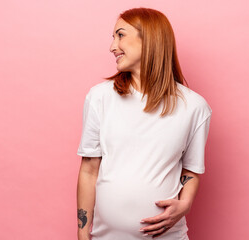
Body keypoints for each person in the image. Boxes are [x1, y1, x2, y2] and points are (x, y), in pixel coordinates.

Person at [77, 7, 212, 240]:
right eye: (113, 38)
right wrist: (82, 233)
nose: (112, 47)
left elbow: (191, 169)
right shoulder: (99, 97)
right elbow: (89, 170)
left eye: (120, 35)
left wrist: (186, 203)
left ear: (149, 38)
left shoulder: (195, 107)